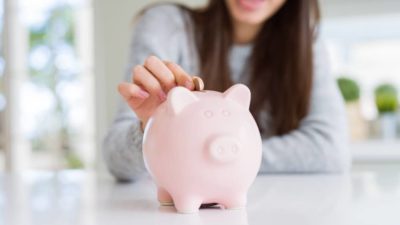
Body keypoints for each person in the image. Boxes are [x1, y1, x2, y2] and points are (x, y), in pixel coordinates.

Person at [103, 0, 351, 181]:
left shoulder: (305, 43)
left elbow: (331, 150)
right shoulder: (167, 25)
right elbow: (116, 161)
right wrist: (151, 132)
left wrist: (197, 153)